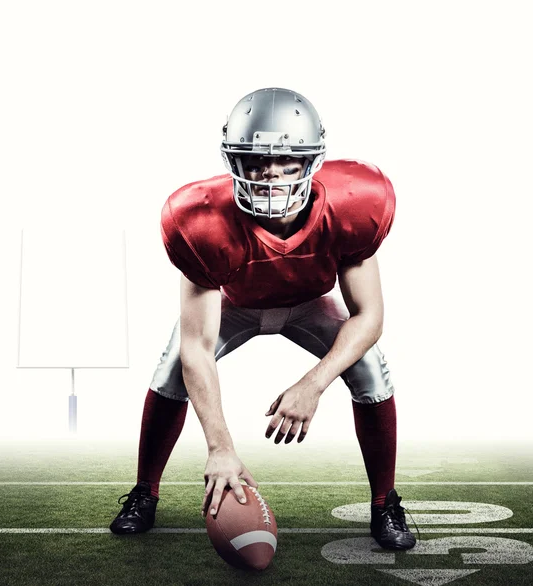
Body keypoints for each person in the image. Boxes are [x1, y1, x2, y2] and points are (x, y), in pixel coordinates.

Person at [109, 87, 416, 550]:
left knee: (369, 366)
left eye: (287, 164)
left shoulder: (356, 203)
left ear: (312, 163)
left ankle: (384, 502)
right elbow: (197, 345)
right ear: (234, 162)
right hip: (235, 303)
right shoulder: (199, 219)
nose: (270, 177)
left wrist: (312, 384)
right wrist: (220, 447)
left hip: (312, 301)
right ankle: (144, 492)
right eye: (254, 163)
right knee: (174, 365)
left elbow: (369, 317)